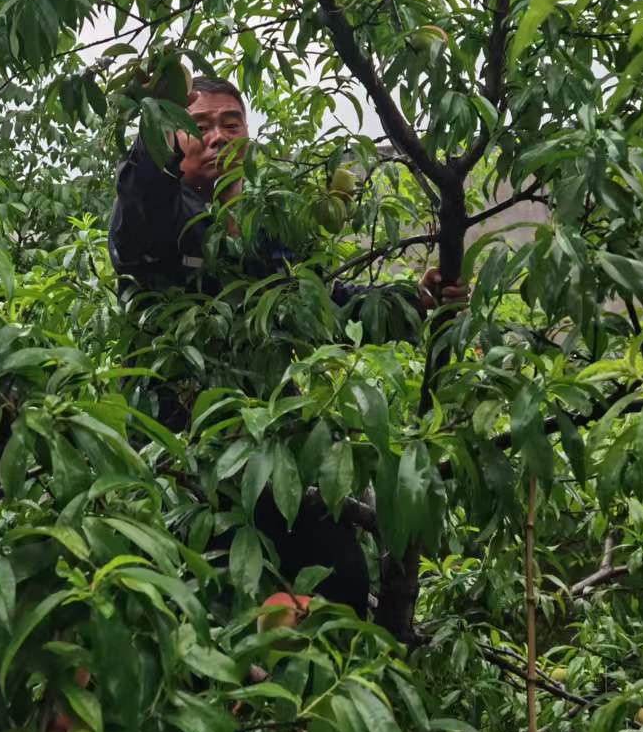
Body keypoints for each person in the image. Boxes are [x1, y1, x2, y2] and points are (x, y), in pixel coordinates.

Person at [107, 76, 464, 617]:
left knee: (343, 579)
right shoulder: (158, 216)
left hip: (273, 444)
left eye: (232, 124)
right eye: (198, 125)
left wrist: (411, 300)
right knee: (207, 601)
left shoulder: (266, 224)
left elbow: (326, 300)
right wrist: (156, 121)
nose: (219, 137)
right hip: (183, 453)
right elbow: (141, 201)